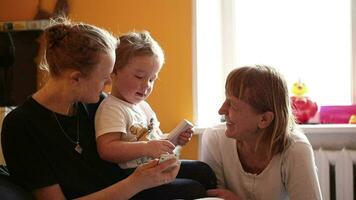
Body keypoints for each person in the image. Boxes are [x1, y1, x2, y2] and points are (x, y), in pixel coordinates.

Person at [1, 17, 181, 200]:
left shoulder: (95, 103)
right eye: (104, 77)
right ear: (76, 78)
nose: (111, 82)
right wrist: (136, 182)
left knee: (197, 180)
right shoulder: (21, 126)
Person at [95, 31, 217, 199]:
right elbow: (106, 149)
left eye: (152, 79)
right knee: (191, 188)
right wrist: (146, 147)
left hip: (157, 166)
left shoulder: (143, 107)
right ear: (113, 72)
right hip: (133, 176)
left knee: (203, 170)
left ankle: (211, 192)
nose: (146, 85)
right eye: (139, 76)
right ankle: (210, 194)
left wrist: (174, 139)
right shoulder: (112, 108)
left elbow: (156, 140)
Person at [201, 65, 322, 200]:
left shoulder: (296, 149)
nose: (221, 110)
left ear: (264, 119)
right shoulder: (215, 139)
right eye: (225, 100)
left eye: (233, 105)